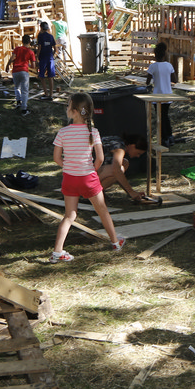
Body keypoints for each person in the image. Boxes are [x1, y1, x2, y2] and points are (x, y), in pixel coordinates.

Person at [49, 92, 125, 262]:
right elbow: (100, 159)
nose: (66, 108)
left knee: (69, 216)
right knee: (102, 210)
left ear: (75, 111)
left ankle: (57, 252)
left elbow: (56, 158)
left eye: (68, 105)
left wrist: (69, 167)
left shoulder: (63, 132)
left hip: (70, 178)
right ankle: (116, 242)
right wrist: (92, 170)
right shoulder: (93, 132)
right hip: (88, 178)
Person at [98, 134, 155, 204]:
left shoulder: (117, 142)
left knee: (124, 163)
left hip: (88, 171)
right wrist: (131, 192)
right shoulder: (119, 148)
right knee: (119, 169)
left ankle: (98, 192)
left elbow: (118, 175)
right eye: (138, 153)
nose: (137, 156)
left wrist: (131, 192)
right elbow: (116, 171)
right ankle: (93, 193)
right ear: (132, 146)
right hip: (86, 174)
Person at [144, 41, 177, 144]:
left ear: (155, 55)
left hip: (157, 95)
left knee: (160, 117)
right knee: (165, 116)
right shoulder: (169, 65)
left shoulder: (153, 66)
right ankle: (169, 136)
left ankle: (164, 137)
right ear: (164, 55)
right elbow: (175, 80)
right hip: (168, 94)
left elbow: (147, 81)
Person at [6, 33, 36, 114]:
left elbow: (12, 58)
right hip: (24, 71)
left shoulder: (17, 49)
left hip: (15, 71)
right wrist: (28, 65)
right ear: (29, 42)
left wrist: (7, 66)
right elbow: (33, 66)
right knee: (25, 91)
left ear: (22, 41)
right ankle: (24, 109)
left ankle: (18, 102)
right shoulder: (30, 52)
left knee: (17, 87)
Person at [36, 20, 57, 101]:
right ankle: (51, 94)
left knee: (42, 76)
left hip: (43, 58)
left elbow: (39, 47)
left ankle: (46, 93)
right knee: (50, 77)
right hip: (50, 58)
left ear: (41, 28)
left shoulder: (40, 36)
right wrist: (52, 55)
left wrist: (37, 57)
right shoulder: (51, 36)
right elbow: (55, 48)